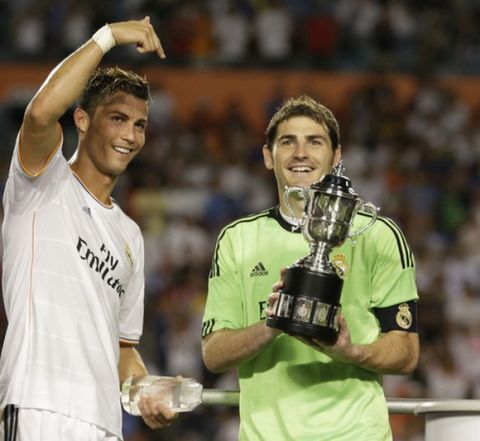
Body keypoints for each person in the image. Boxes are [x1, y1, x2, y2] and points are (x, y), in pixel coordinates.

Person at [201, 95, 419, 441]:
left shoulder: (377, 234)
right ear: (268, 157)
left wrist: (351, 350)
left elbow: (406, 352)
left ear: (336, 157)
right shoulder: (237, 239)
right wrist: (275, 322)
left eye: (314, 142)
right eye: (288, 142)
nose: (301, 153)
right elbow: (214, 354)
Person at [0, 17, 176, 440]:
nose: (130, 136)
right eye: (117, 119)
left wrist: (144, 390)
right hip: (37, 407)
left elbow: (122, 349)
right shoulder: (42, 181)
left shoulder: (130, 235)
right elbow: (41, 113)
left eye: (139, 125)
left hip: (103, 425)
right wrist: (108, 37)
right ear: (82, 119)